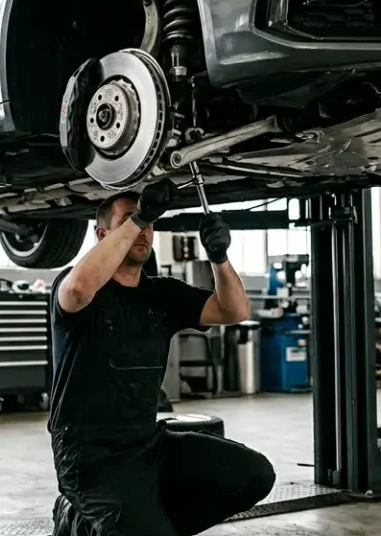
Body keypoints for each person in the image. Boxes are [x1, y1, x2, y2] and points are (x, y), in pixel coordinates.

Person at [48, 181, 276, 536]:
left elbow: (235, 310)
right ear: (102, 233)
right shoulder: (79, 286)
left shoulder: (161, 294)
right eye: (130, 220)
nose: (144, 230)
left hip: (148, 444)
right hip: (88, 457)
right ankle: (78, 517)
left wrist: (219, 257)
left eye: (150, 223)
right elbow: (78, 289)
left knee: (254, 475)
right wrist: (140, 217)